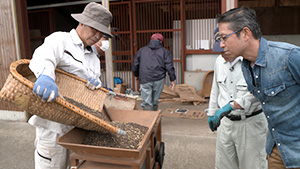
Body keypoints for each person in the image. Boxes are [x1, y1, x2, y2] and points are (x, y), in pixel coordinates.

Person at [28, 2, 113, 169]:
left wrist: (96, 87)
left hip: (77, 127)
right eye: (94, 30)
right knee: (51, 165)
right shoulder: (61, 40)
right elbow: (44, 56)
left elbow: (90, 86)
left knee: (74, 165)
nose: (97, 36)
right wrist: (46, 75)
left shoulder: (93, 58)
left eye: (101, 33)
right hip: (53, 126)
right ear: (81, 22)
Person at [217, 6, 300, 169]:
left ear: (246, 34)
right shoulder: (246, 67)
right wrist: (229, 106)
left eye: (224, 37)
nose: (221, 44)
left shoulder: (289, 56)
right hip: (276, 148)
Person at [206, 27, 268, 169]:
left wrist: (232, 105)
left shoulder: (254, 60)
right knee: (224, 165)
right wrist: (211, 112)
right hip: (226, 123)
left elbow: (259, 91)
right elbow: (215, 89)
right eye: (218, 50)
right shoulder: (219, 62)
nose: (221, 53)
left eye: (224, 49)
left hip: (250, 123)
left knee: (253, 165)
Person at [132, 33, 176, 111]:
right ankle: (154, 117)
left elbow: (135, 64)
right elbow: (169, 66)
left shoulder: (142, 50)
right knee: (155, 101)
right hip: (159, 79)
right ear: (161, 41)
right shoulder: (165, 52)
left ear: (151, 40)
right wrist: (172, 79)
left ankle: (148, 120)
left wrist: (137, 75)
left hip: (145, 78)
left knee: (146, 102)